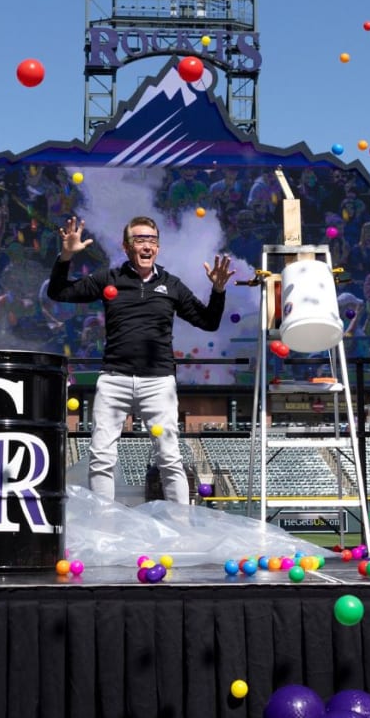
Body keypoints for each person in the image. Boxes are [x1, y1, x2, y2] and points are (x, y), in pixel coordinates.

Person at [48, 213, 233, 503]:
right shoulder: (109, 278)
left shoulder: (172, 285)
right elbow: (58, 292)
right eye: (140, 239)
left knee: (170, 459)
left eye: (152, 240)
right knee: (101, 458)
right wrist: (66, 256)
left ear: (158, 248)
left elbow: (209, 321)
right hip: (114, 379)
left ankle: (180, 530)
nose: (147, 245)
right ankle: (104, 531)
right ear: (126, 246)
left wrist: (218, 290)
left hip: (159, 382)